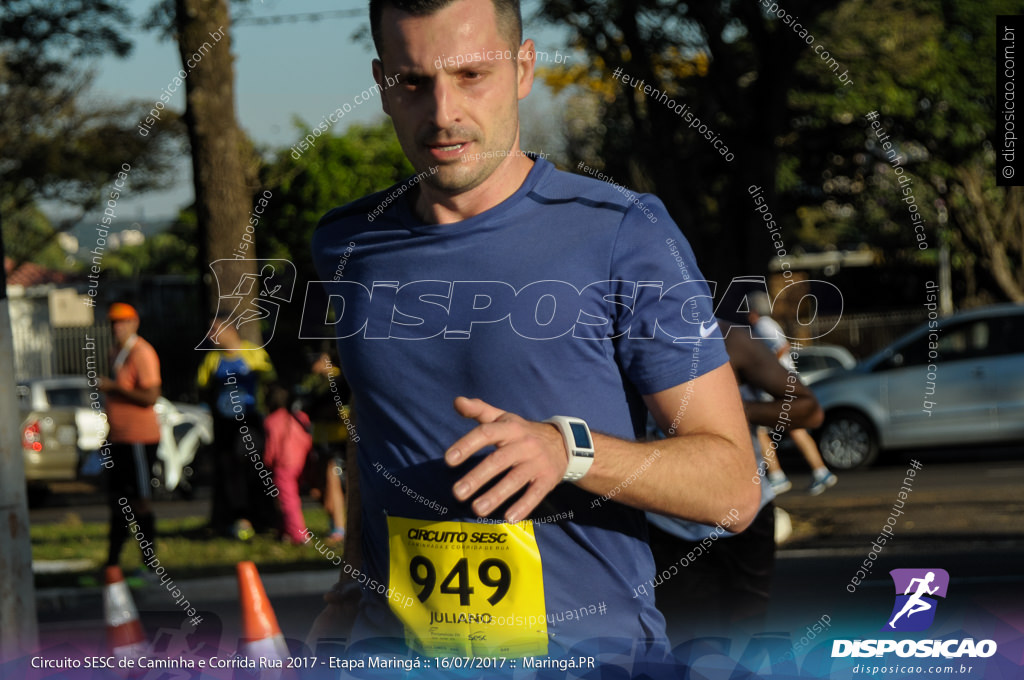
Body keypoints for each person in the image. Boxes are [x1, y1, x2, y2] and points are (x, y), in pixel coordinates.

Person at [307, 0, 759, 671]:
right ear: (381, 83)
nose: (442, 112)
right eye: (412, 81)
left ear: (523, 68)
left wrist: (567, 450)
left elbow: (733, 489)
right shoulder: (347, 243)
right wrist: (346, 597)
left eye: (470, 75)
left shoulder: (620, 232)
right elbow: (376, 426)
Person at [646, 318, 824, 640]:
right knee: (684, 642)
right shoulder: (612, 343)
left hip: (745, 517)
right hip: (665, 522)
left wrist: (737, 410)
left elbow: (809, 409)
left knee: (745, 639)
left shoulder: (727, 339)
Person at [748, 292, 838, 496]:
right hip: (788, 383)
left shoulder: (762, 325)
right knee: (796, 429)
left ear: (753, 311)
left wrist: (765, 369)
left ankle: (778, 476)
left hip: (776, 386)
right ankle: (821, 471)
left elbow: (780, 347)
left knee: (759, 429)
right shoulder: (770, 323)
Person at [196, 314, 277, 539]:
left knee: (252, 467)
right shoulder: (212, 359)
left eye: (215, 330)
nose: (210, 336)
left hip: (250, 422)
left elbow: (271, 383)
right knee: (228, 470)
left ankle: (263, 517)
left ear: (230, 330)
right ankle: (235, 519)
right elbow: (202, 387)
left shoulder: (254, 353)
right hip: (225, 424)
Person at [98, 302, 161, 572]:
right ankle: (113, 562)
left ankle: (150, 562)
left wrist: (114, 388)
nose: (117, 327)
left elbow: (151, 396)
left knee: (139, 499)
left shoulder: (141, 352)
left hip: (138, 438)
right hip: (119, 437)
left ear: (135, 323)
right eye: (113, 322)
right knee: (118, 500)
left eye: (122, 322)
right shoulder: (117, 353)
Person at [263, 384, 313, 544]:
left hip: (284, 465)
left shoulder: (272, 421)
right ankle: (284, 531)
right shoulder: (300, 417)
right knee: (286, 498)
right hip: (301, 462)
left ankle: (300, 535)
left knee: (287, 500)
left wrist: (267, 462)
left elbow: (271, 447)